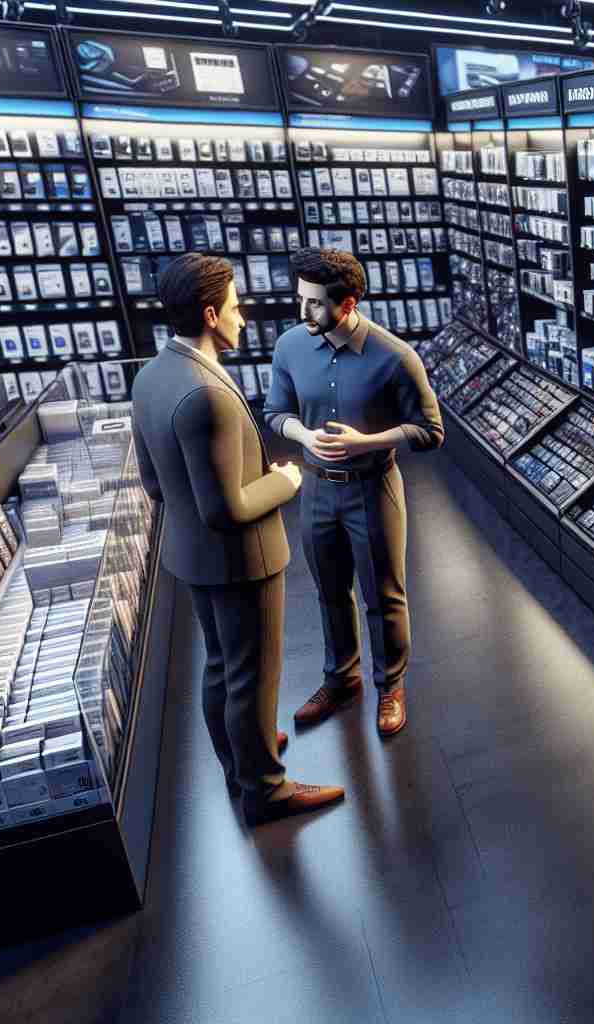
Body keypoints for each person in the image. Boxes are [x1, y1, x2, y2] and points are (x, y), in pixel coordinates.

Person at [131, 253, 345, 826]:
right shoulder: (207, 394)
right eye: (234, 307)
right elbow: (229, 510)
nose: (243, 318)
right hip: (241, 560)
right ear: (209, 312)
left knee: (222, 667)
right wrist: (284, 480)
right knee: (254, 675)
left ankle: (239, 762)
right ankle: (266, 789)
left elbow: (155, 485)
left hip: (192, 556)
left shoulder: (150, 376)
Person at [265, 248, 443, 737]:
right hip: (317, 490)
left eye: (315, 303)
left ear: (348, 303)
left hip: (372, 488)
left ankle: (391, 685)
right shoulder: (289, 347)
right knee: (329, 591)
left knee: (383, 595)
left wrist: (369, 441)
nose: (303, 313)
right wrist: (303, 436)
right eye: (301, 299)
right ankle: (340, 678)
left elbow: (431, 431)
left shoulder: (396, 357)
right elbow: (275, 412)